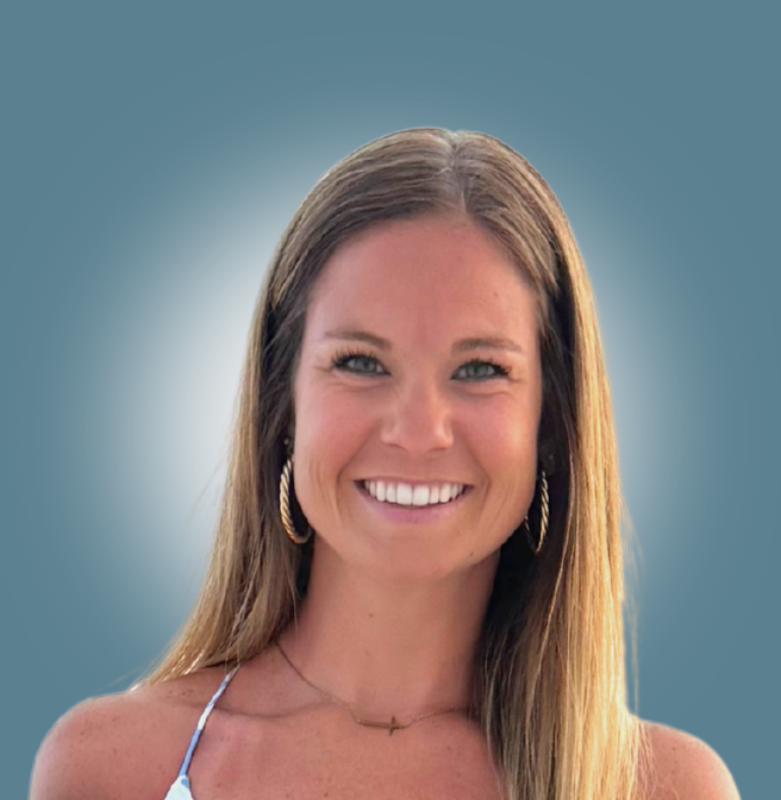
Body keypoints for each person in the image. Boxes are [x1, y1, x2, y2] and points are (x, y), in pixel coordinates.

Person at [30, 128, 740, 800]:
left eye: (480, 369)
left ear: (552, 424)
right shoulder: (111, 770)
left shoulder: (662, 787)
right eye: (362, 363)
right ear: (284, 403)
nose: (417, 431)